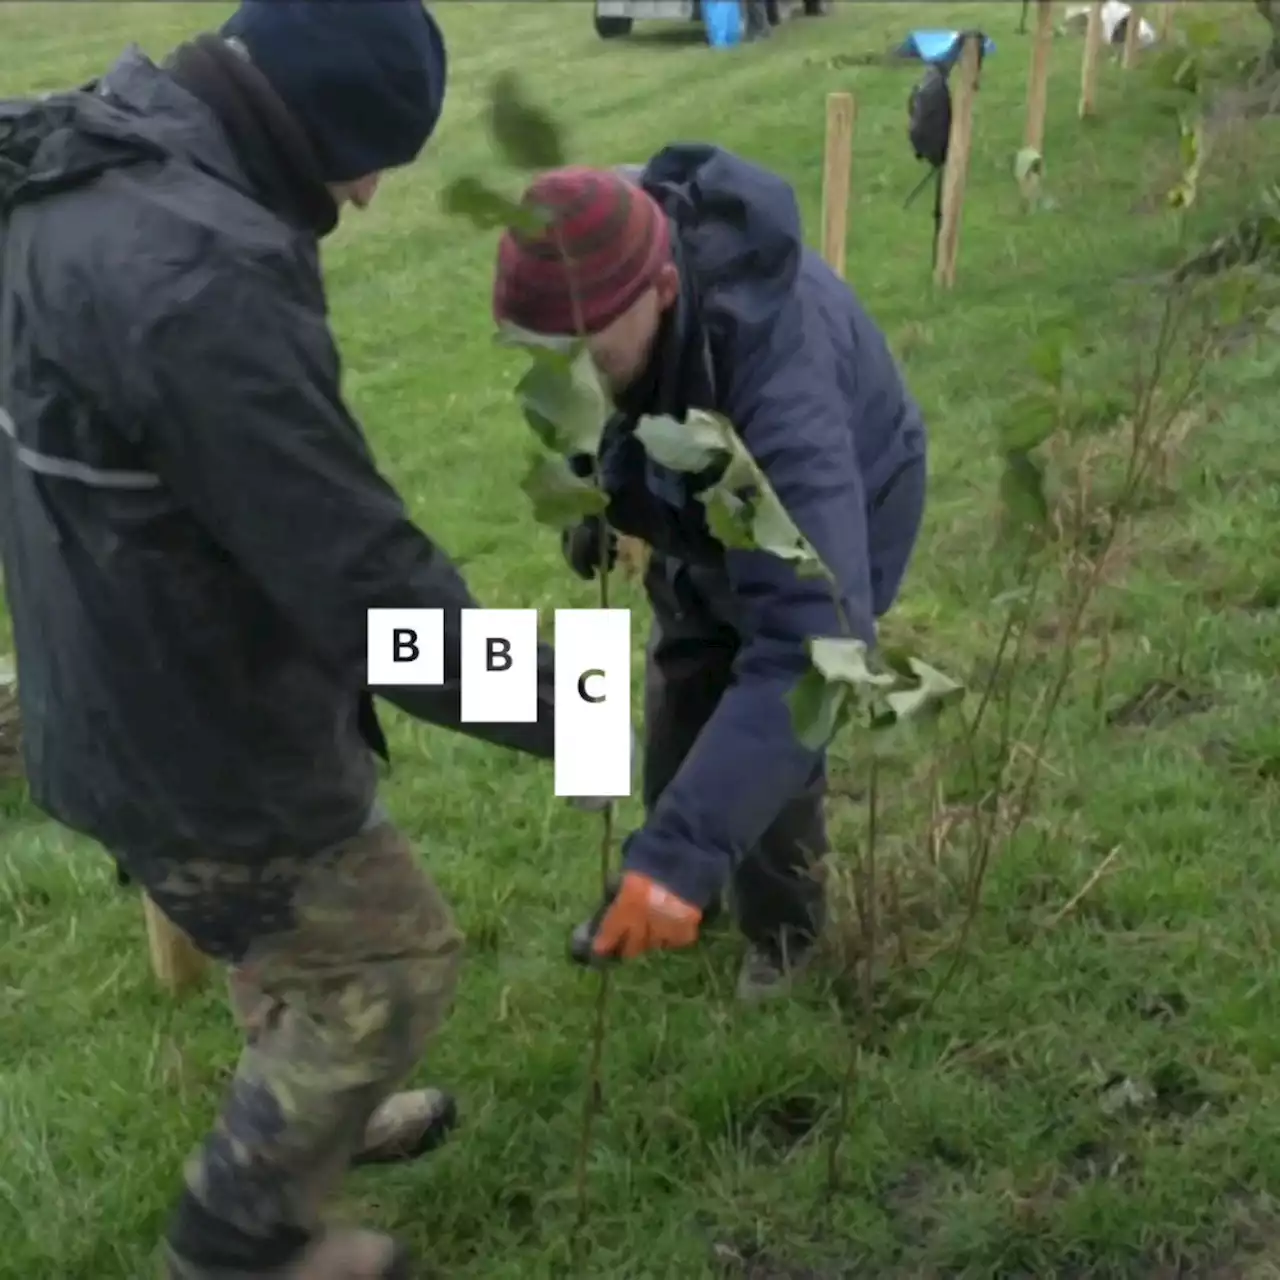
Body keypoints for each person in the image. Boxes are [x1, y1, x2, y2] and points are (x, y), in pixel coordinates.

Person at [0, 4, 584, 1277]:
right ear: (308, 122)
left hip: (101, 672)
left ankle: (320, 1111)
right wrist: (580, 710)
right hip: (192, 727)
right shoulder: (200, 277)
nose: (368, 198)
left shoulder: (91, 159)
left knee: (281, 932)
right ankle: (238, 1236)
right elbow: (370, 592)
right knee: (390, 963)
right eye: (369, 158)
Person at [492, 150, 928, 1002]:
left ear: (659, 291)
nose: (564, 367)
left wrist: (682, 857)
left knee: (773, 698)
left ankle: (782, 930)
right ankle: (671, 890)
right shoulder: (604, 254)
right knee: (685, 672)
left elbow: (811, 653)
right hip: (695, 497)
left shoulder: (778, 386)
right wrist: (598, 491)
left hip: (843, 507)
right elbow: (592, 397)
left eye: (582, 348)